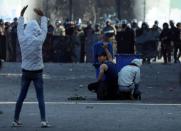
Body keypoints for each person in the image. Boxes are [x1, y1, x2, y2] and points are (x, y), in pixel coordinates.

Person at [12, 5, 50, 128]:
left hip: (25, 71)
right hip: (38, 72)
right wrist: (43, 16)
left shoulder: (22, 38)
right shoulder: (39, 40)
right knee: (40, 97)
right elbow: (44, 30)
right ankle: (43, 121)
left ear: (27, 29)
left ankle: (15, 119)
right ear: (36, 30)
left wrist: (21, 15)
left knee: (21, 96)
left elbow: (19, 29)